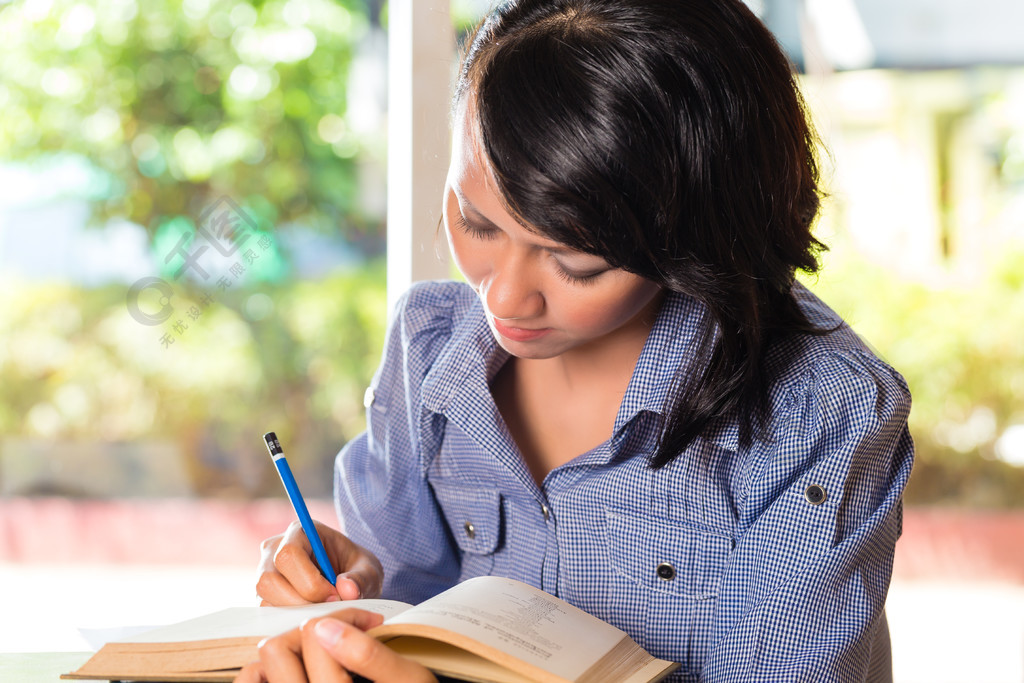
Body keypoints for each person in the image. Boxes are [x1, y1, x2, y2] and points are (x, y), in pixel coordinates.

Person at [238, 0, 914, 681]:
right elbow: (400, 617)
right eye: (477, 222)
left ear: (697, 227)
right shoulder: (429, 354)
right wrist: (343, 588)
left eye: (576, 263)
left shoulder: (816, 413)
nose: (504, 296)